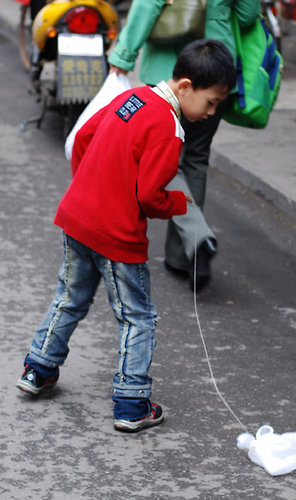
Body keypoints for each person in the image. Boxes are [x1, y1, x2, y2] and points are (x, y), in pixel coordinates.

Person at [16, 39, 236, 433]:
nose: (209, 113)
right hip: (117, 237)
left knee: (69, 298)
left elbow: (82, 139)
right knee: (138, 317)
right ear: (185, 86)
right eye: (210, 102)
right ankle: (132, 403)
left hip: (78, 218)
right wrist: (180, 205)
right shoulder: (170, 128)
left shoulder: (132, 97)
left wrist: (90, 187)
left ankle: (37, 369)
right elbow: (150, 197)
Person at [109, 0, 260, 291]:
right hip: (218, 71)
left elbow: (148, 4)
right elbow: (247, 15)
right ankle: (183, 257)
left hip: (172, 70)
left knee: (169, 160)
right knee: (196, 160)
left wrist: (125, 54)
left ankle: (197, 237)